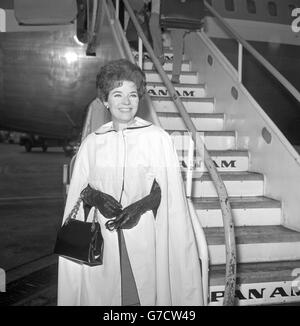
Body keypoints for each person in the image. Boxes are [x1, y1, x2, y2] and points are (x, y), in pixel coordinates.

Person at [57, 58, 203, 306]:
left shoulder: (158, 138)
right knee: (105, 295)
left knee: (142, 295)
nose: (126, 102)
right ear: (105, 100)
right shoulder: (93, 142)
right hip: (102, 234)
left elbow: (167, 190)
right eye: (118, 94)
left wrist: (141, 206)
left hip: (144, 233)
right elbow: (81, 189)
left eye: (132, 95)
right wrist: (97, 198)